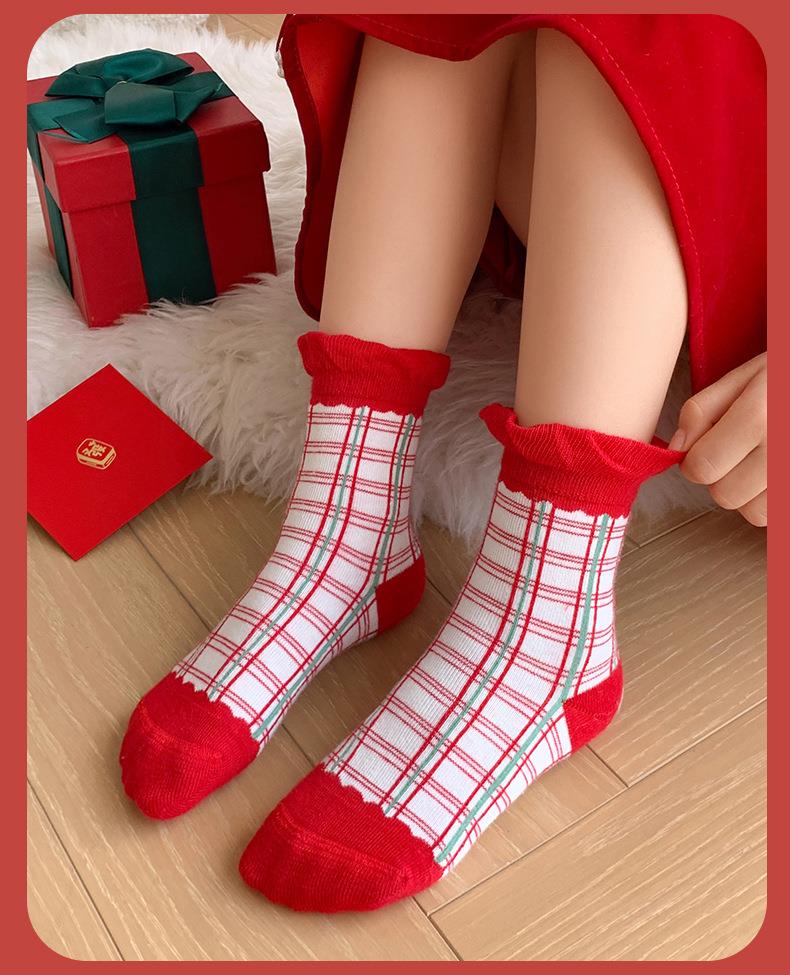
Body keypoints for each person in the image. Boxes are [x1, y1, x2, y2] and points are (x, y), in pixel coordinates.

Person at [119, 15, 766, 913]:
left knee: (651, 26)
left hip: (713, 202)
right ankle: (346, 529)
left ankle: (543, 622)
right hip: (580, 168)